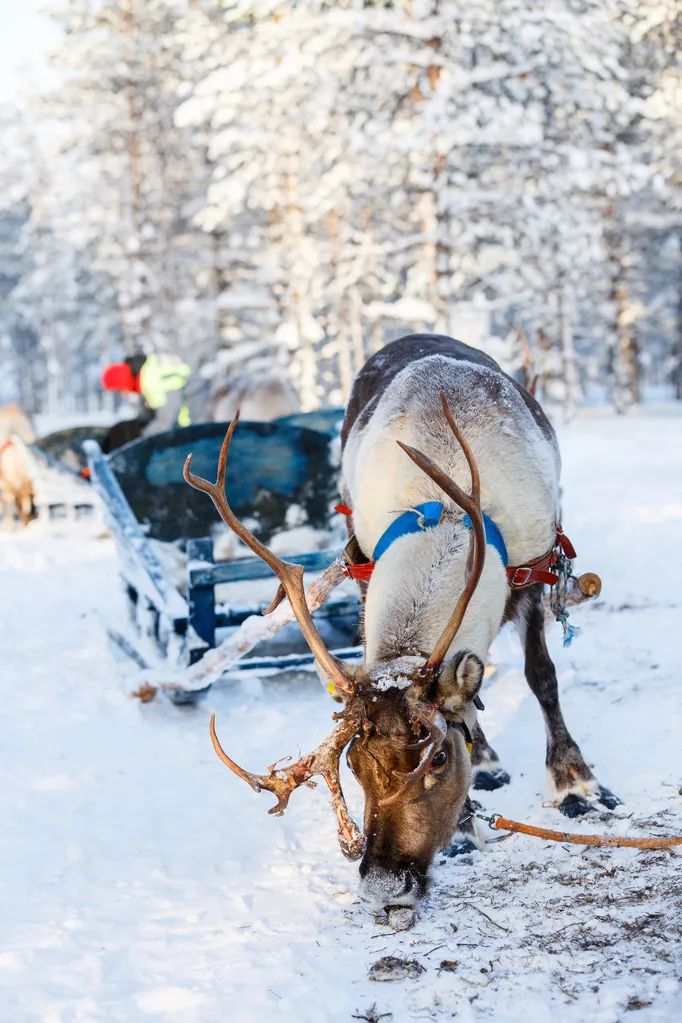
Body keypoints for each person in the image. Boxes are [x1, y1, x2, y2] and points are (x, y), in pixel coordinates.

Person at [101, 352, 192, 438]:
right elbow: (148, 415)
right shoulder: (146, 371)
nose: (123, 394)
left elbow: (166, 420)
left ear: (121, 381)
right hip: (189, 425)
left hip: (196, 420)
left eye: (119, 390)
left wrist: (139, 439)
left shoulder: (149, 380)